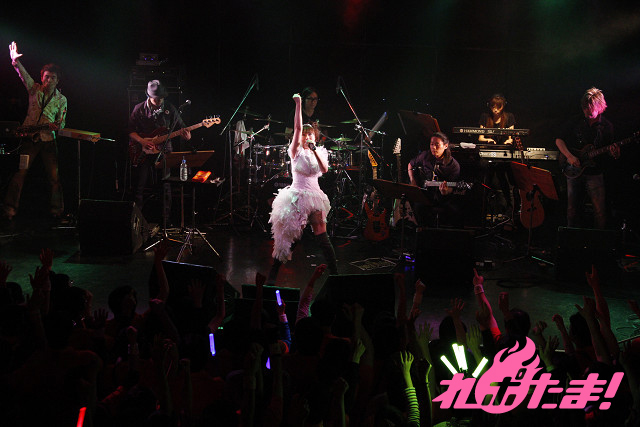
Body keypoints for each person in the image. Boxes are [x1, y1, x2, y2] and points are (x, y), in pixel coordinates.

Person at [268, 93, 338, 281]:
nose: (307, 136)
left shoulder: (319, 152)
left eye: (310, 134)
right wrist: (298, 103)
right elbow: (298, 127)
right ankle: (273, 274)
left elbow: (324, 169)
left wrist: (315, 151)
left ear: (315, 137)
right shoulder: (295, 152)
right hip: (298, 196)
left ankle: (336, 275)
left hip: (315, 196)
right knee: (291, 239)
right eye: (305, 135)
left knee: (322, 236)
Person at [3, 41, 67, 221]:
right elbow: (23, 75)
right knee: (20, 174)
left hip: (48, 141)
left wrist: (57, 126)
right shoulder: (34, 89)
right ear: (42, 77)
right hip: (29, 138)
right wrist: (15, 61)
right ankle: (9, 210)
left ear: (57, 80)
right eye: (46, 77)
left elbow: (62, 123)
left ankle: (57, 211)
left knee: (54, 178)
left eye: (53, 77)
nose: (49, 80)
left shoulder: (62, 99)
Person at [555, 87, 618, 229]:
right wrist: (569, 156)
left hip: (595, 173)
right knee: (572, 210)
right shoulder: (576, 121)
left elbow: (610, 152)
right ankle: (571, 238)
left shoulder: (607, 126)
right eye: (584, 108)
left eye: (590, 109)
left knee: (600, 212)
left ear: (600, 107)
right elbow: (559, 140)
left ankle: (598, 240)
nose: (586, 112)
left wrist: (614, 153)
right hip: (573, 171)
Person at [128, 80, 191, 208]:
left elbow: (182, 127)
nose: (159, 101)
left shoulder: (169, 108)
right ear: (148, 96)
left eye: (161, 98)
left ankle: (165, 218)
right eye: (156, 99)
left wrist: (187, 136)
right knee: (139, 186)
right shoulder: (139, 108)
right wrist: (142, 141)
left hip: (164, 150)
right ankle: (137, 217)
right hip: (143, 151)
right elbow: (130, 130)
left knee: (165, 185)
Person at [407, 132, 462, 226]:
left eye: (437, 145)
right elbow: (410, 164)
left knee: (454, 212)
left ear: (445, 146)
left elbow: (452, 187)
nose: (433, 147)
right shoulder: (425, 155)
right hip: (425, 195)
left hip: (443, 198)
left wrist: (446, 191)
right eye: (431, 144)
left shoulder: (454, 165)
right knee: (418, 207)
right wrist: (413, 181)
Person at [478, 94, 517, 218]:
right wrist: (487, 140)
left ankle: (509, 212)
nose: (495, 110)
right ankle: (483, 211)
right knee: (486, 179)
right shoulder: (485, 117)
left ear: (503, 106)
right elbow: (480, 137)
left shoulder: (509, 117)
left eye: (498, 107)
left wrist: (508, 141)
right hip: (488, 152)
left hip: (503, 152)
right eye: (493, 106)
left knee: (505, 180)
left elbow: (511, 138)